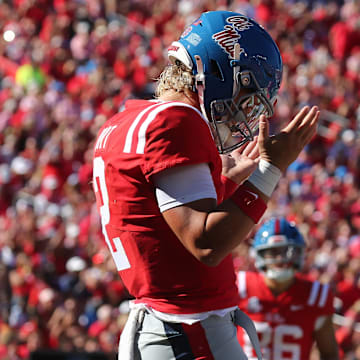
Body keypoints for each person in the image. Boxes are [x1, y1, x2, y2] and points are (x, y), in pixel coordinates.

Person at [92, 10, 320, 360]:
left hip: (168, 327)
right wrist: (270, 169)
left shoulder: (124, 120)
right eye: (246, 92)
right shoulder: (176, 121)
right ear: (213, 71)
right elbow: (205, 244)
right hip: (189, 330)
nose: (246, 111)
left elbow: (163, 225)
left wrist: (226, 181)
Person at [237, 217, 339, 360]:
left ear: (300, 253)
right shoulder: (240, 286)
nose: (280, 259)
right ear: (259, 254)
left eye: (287, 251)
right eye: (273, 252)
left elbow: (329, 353)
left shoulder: (316, 295)